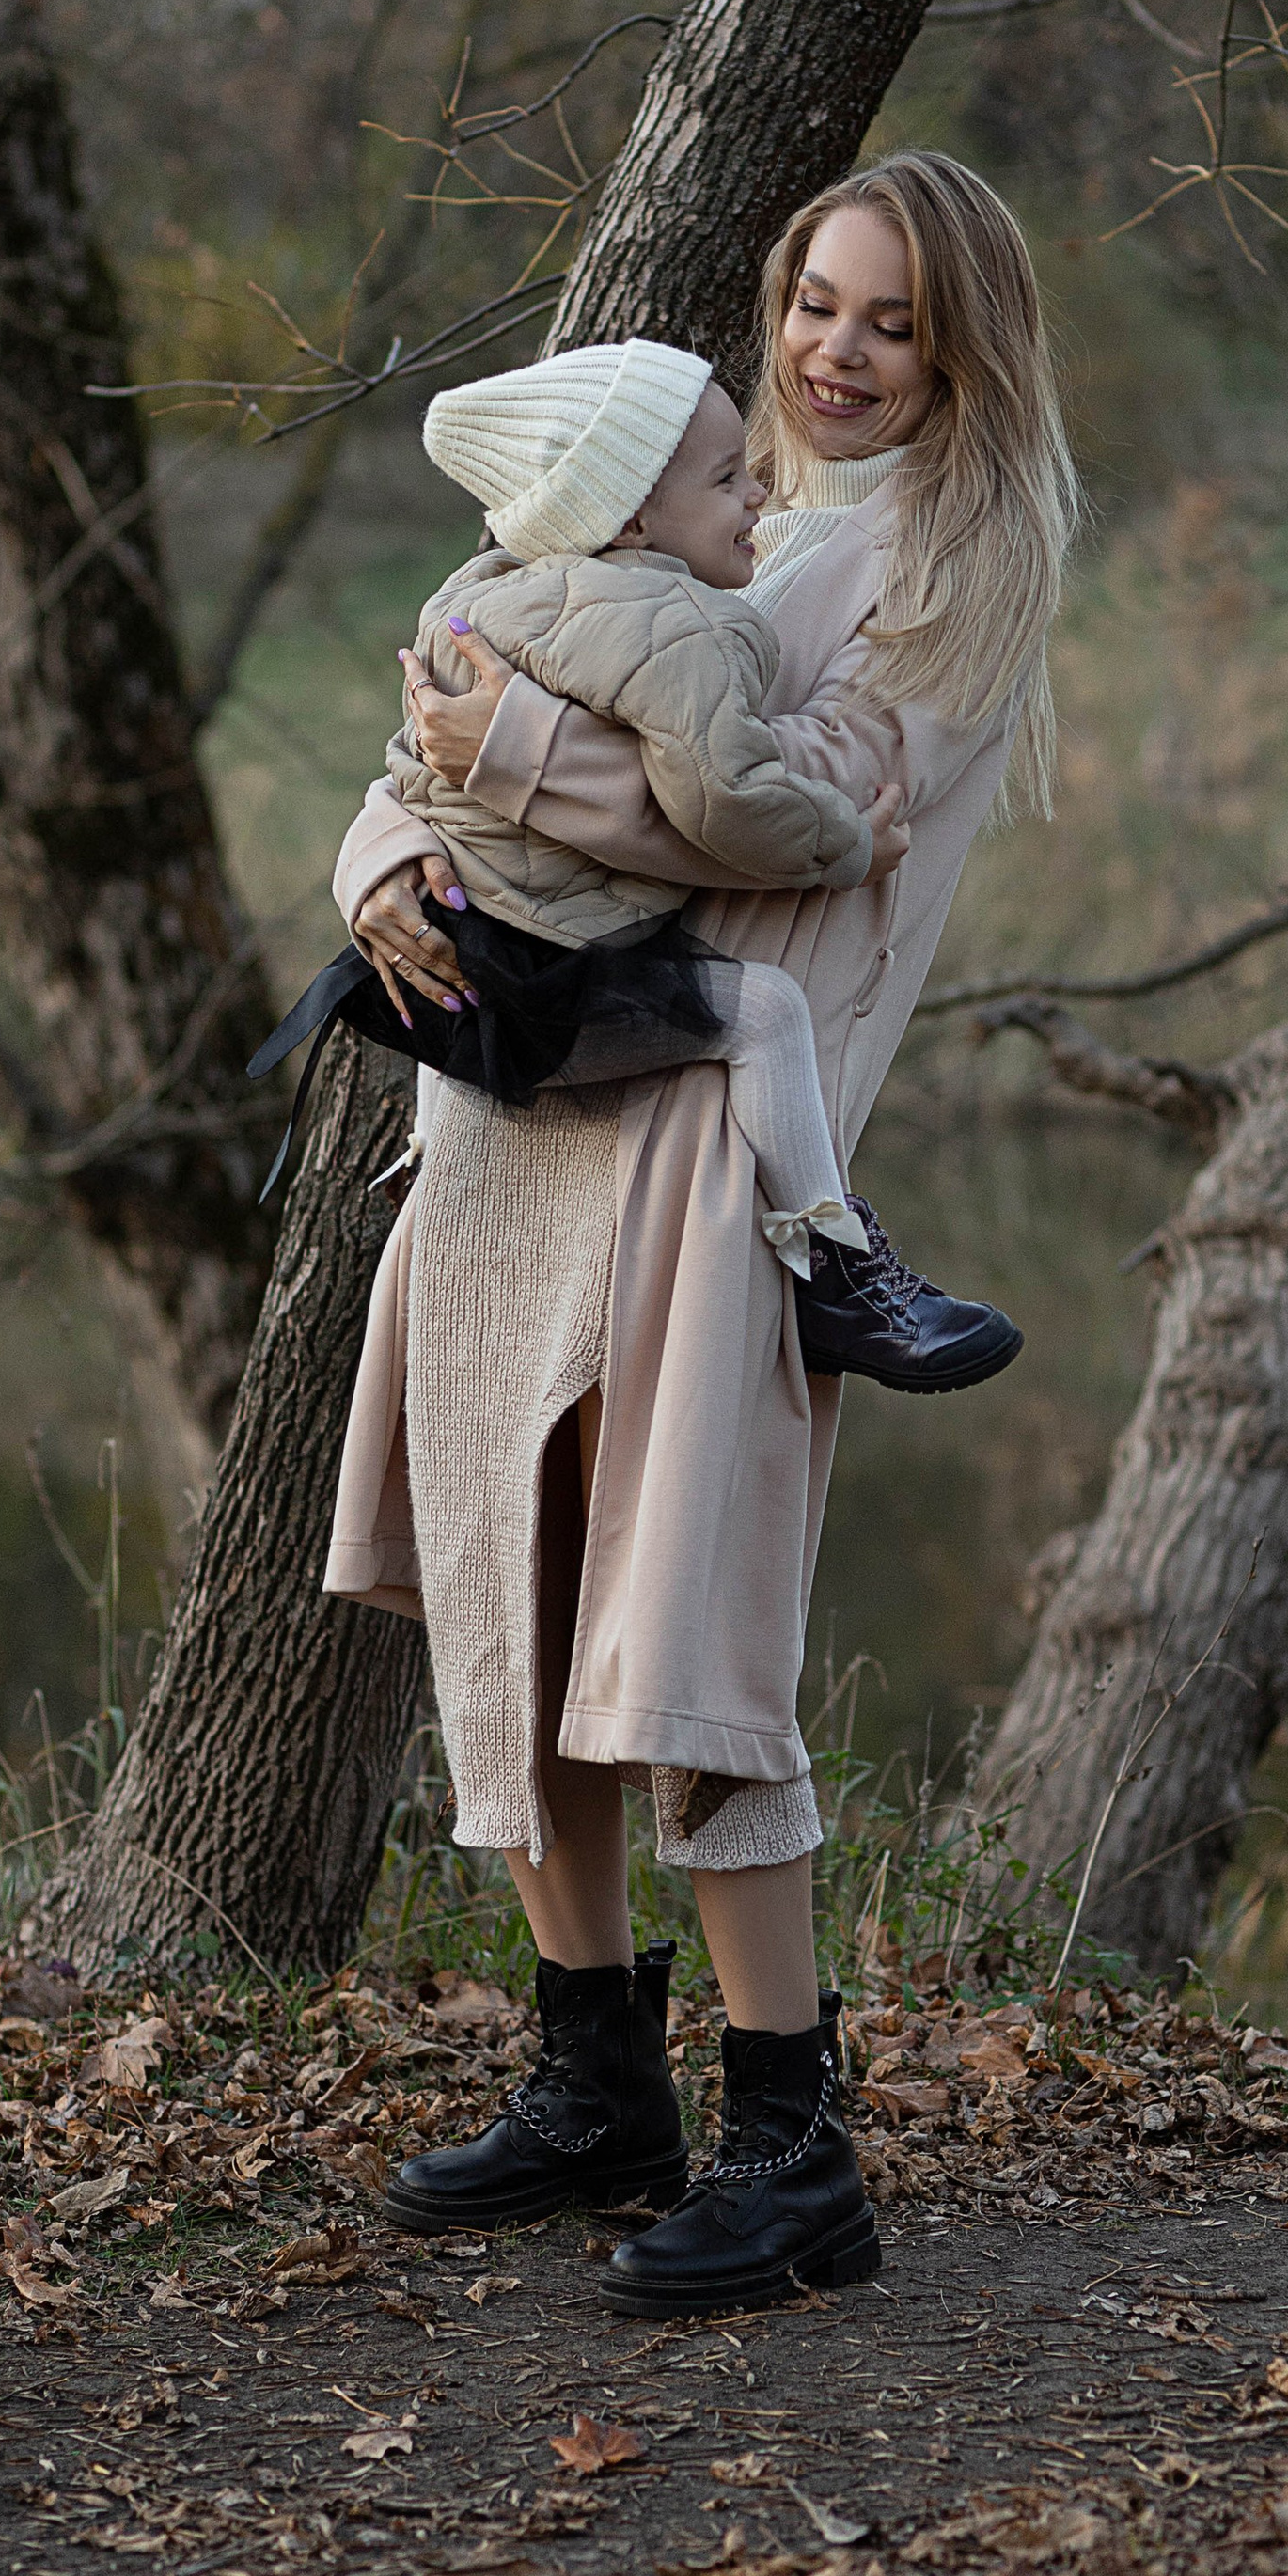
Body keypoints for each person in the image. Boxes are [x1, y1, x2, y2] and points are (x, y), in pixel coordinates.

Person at [324, 149, 1079, 2315]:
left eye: (891, 322)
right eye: (814, 304)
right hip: (511, 1104)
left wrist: (509, 743)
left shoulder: (947, 565)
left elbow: (782, 823)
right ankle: (593, 2084)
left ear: (960, 357)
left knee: (687, 1639)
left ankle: (792, 2143)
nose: (836, 352)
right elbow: (438, 705)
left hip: (707, 1139)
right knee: (518, 1587)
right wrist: (383, 852)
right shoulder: (679, 502)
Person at [362, 334, 1020, 1381]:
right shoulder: (683, 625)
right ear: (627, 517)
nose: (754, 491)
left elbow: (409, 773)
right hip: (562, 978)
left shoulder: (478, 595)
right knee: (764, 1016)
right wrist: (850, 848)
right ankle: (832, 1262)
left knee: (473, 917)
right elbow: (723, 797)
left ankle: (424, 1161)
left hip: (451, 982)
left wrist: (375, 865)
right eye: (725, 479)